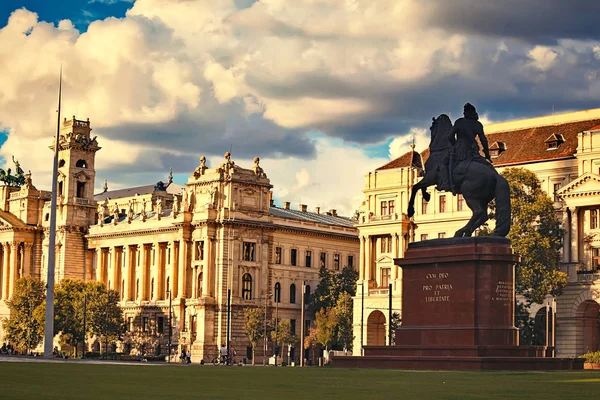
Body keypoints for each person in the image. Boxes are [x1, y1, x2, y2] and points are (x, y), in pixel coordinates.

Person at [438, 103, 492, 194]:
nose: (464, 113)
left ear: (467, 113)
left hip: (460, 148)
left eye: (465, 111)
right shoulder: (478, 124)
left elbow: (450, 136)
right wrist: (487, 154)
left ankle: (446, 183)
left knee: (443, 162)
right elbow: (483, 140)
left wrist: (453, 145)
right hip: (473, 149)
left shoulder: (460, 122)